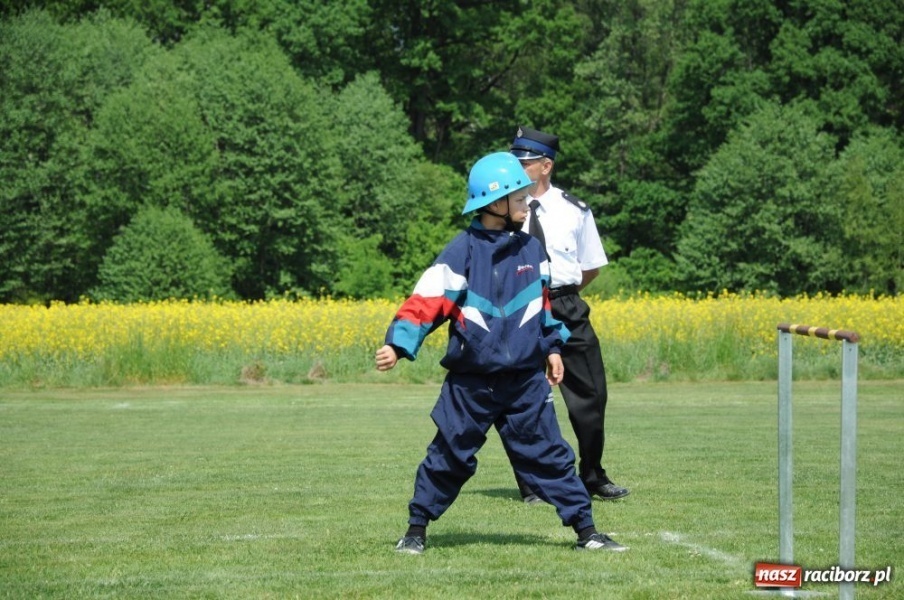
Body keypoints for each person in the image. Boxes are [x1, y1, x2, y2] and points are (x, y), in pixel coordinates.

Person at [375, 152, 627, 555]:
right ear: (495, 203)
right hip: (470, 385)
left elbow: (542, 308)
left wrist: (552, 348)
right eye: (520, 199)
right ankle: (416, 531)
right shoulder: (462, 251)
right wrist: (397, 344)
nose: (527, 206)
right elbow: (426, 301)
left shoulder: (532, 251)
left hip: (525, 382)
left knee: (551, 456)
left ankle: (587, 531)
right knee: (447, 457)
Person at [505, 125, 629, 503]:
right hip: (518, 307)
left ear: (545, 166)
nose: (516, 167)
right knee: (522, 399)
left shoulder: (576, 210)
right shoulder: (503, 207)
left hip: (565, 304)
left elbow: (590, 266)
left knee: (591, 393)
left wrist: (561, 295)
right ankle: (532, 484)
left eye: (523, 162)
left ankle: (592, 473)